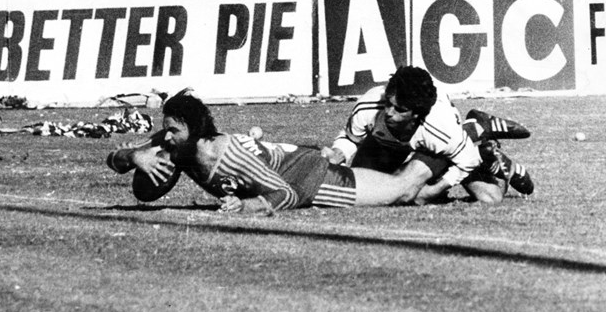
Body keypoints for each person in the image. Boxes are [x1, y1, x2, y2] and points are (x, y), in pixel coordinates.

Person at [106, 90, 463, 213]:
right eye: (165, 128)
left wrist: (246, 206)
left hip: (309, 175)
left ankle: (466, 137)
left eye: (172, 130)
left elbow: (285, 192)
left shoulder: (229, 157)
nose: (165, 138)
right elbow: (117, 163)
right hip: (288, 161)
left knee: (403, 192)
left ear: (195, 132)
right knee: (405, 190)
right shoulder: (176, 142)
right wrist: (134, 156)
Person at [321, 66, 534, 204]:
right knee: (363, 189)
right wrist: (339, 152)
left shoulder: (439, 129)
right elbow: (351, 138)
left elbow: (467, 161)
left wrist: (440, 186)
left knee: (490, 198)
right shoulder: (369, 106)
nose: (388, 112)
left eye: (399, 109)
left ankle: (477, 131)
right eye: (388, 103)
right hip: (389, 144)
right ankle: (480, 137)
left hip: (437, 145)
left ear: (416, 114)